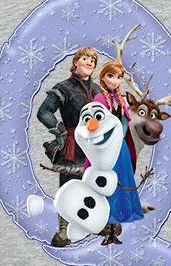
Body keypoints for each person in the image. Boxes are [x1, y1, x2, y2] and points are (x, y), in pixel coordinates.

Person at [36, 47, 98, 246]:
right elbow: (44, 112)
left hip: (95, 147)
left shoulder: (98, 90)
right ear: (75, 62)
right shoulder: (63, 88)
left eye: (93, 61)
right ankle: (64, 230)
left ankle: (97, 223)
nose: (89, 63)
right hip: (72, 144)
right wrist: (59, 130)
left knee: (95, 185)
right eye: (85, 58)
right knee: (69, 188)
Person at [85, 60, 144, 244]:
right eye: (111, 76)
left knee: (119, 186)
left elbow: (124, 122)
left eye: (119, 77)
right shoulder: (98, 100)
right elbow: (94, 125)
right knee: (105, 186)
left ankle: (114, 230)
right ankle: (106, 229)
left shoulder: (119, 100)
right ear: (103, 77)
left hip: (120, 149)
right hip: (105, 149)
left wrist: (120, 137)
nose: (115, 81)